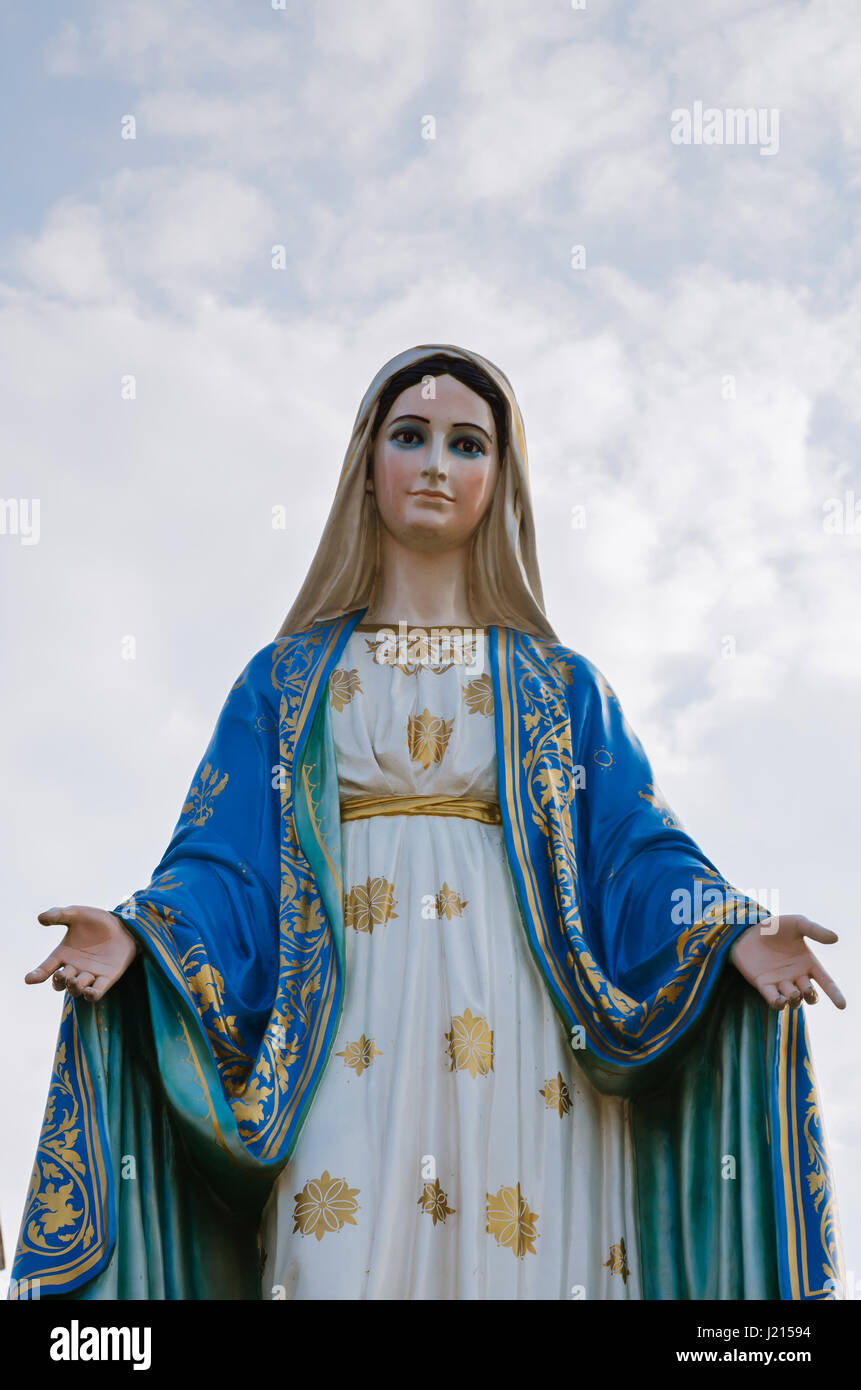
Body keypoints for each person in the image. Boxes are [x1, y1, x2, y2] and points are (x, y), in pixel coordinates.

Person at [12, 344, 845, 1300]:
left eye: (468, 444)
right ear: (368, 464)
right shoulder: (286, 680)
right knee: (331, 1253)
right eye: (411, 436)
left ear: (501, 480)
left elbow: (633, 851)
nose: (438, 465)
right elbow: (225, 860)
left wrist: (725, 932)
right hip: (339, 1018)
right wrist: (139, 935)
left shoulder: (557, 683)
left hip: (527, 1023)